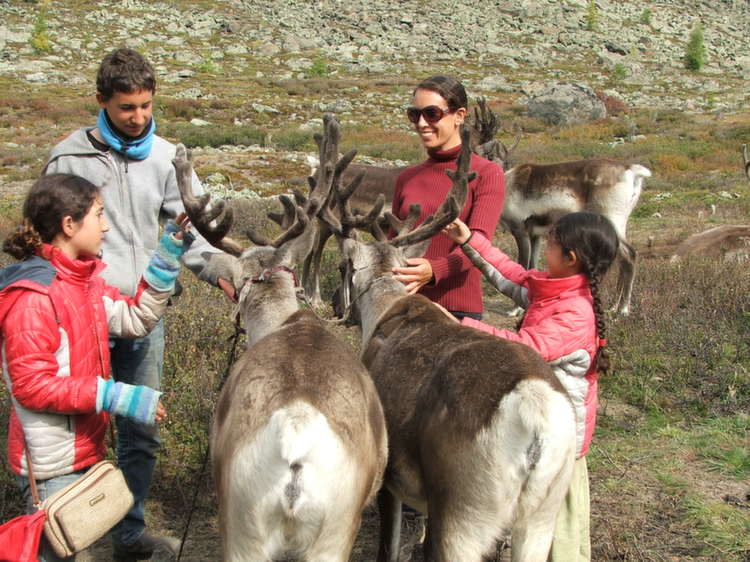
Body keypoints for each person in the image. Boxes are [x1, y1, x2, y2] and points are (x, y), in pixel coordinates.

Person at [42, 48, 240, 559]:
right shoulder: (69, 158)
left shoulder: (168, 158)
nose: (139, 118)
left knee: (141, 430)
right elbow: (49, 235)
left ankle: (127, 535)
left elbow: (195, 228)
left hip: (143, 315)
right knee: (77, 433)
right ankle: (73, 537)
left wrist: (217, 269)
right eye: (127, 107)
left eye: (147, 106)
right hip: (82, 317)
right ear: (102, 100)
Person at [0, 174, 192, 562]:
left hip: (79, 453)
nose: (106, 227)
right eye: (99, 215)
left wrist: (168, 252)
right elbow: (33, 387)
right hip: (52, 464)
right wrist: (118, 395)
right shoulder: (34, 298)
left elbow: (136, 317)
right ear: (69, 225)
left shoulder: (82, 283)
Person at [442, 211, 619, 561]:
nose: (544, 251)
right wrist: (469, 240)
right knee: (536, 517)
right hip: (542, 426)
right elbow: (511, 275)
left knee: (560, 531)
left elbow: (525, 346)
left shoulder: (574, 313)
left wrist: (460, 326)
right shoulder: (554, 290)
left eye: (551, 245)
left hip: (563, 441)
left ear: (570, 259)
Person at [391, 74, 505, 321]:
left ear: (459, 116)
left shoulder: (487, 173)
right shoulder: (407, 177)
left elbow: (479, 245)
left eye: (431, 114)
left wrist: (434, 270)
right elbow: (392, 243)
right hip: (402, 308)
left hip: (456, 313)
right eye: (414, 115)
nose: (421, 123)